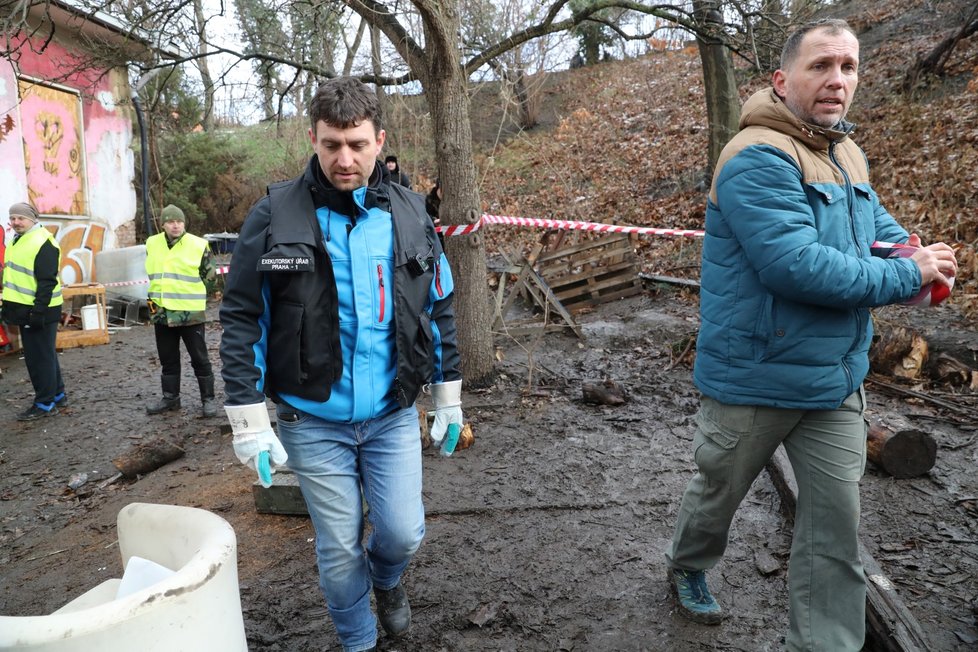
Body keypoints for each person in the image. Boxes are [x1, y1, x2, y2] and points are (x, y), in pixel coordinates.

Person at [664, 19, 958, 652]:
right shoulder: (754, 157)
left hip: (833, 383)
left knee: (834, 533)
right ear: (782, 80)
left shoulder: (845, 152)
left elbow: (875, 229)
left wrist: (916, 260)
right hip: (754, 377)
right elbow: (794, 266)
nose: (837, 80)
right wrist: (904, 271)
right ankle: (688, 562)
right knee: (717, 494)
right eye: (821, 65)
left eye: (848, 67)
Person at [220, 76, 463, 652]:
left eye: (357, 144)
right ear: (314, 138)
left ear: (379, 140)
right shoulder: (275, 215)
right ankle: (359, 642)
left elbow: (440, 305)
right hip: (312, 419)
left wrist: (448, 394)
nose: (344, 159)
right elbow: (242, 316)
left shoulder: (409, 214)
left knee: (402, 533)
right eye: (331, 145)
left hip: (391, 413)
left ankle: (388, 581)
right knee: (337, 546)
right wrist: (249, 420)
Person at [144, 204, 219, 417]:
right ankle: (170, 398)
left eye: (179, 221)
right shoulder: (152, 243)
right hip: (161, 313)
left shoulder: (198, 244)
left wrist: (195, 295)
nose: (175, 225)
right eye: (170, 221)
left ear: (184, 223)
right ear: (163, 224)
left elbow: (211, 278)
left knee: (200, 359)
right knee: (168, 359)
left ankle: (208, 400)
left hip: (190, 314)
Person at [1, 202, 66, 420]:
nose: (16, 222)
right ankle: (57, 395)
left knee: (38, 358)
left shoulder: (42, 242)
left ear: (32, 219)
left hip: (39, 310)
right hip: (24, 308)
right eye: (13, 218)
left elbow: (47, 282)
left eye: (21, 218)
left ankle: (44, 403)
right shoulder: (17, 240)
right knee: (45, 355)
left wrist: (38, 312)